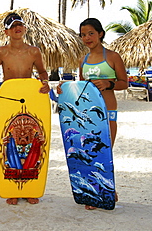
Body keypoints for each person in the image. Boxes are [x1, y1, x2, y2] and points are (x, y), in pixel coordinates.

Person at [57, 18, 128, 210]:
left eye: (90, 33)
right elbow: (81, 88)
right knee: (88, 153)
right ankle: (94, 193)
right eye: (83, 34)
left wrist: (108, 83)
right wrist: (65, 89)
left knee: (105, 153)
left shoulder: (113, 57)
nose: (87, 38)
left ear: (100, 34)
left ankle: (108, 190)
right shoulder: (83, 60)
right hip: (87, 114)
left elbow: (124, 82)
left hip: (109, 111)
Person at [0, 12, 50, 205]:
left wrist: (45, 82)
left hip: (31, 96)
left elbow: (41, 72)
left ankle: (30, 188)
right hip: (8, 98)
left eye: (20, 25)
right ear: (7, 31)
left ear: (24, 28)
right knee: (10, 139)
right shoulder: (1, 52)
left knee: (31, 138)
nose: (17, 28)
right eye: (13, 26)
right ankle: (13, 188)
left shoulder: (34, 51)